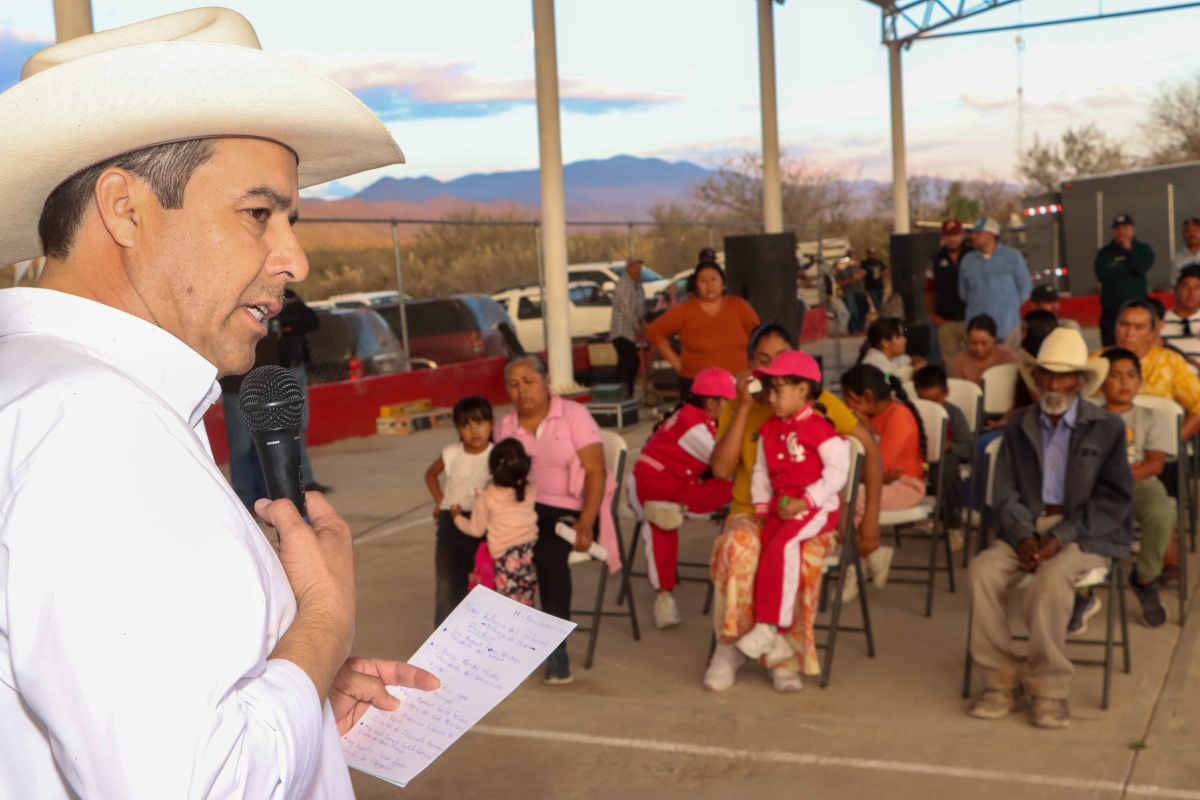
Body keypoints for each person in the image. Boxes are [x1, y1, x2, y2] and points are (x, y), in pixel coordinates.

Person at [0, 10, 440, 797]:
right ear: (125, 209)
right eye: (258, 214)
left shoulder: (34, 385)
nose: (294, 258)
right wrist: (322, 620)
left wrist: (296, 693)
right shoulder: (95, 427)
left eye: (291, 221)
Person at [704, 324, 884, 692]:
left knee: (799, 557)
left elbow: (865, 453)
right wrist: (743, 409)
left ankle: (782, 654)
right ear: (751, 364)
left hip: (808, 512)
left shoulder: (816, 405)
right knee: (740, 547)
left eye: (782, 361)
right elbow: (721, 470)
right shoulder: (743, 405)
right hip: (752, 510)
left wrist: (868, 521)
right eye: (764, 362)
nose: (774, 373)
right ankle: (728, 648)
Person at [967, 328, 1129, 729]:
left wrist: (1062, 536)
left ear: (1079, 381)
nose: (1055, 385)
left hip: (1085, 530)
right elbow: (1004, 492)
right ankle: (1000, 678)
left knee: (1052, 579)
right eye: (1048, 376)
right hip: (1026, 525)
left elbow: (1114, 499)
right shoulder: (1019, 424)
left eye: (1064, 376)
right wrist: (1024, 534)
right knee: (982, 572)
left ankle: (1049, 687)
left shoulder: (1105, 427)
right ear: (1036, 378)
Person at [493, 354, 618, 684]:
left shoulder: (574, 415)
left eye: (529, 382)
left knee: (548, 553)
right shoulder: (505, 426)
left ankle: (555, 646)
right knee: (474, 541)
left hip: (569, 509)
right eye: (514, 385)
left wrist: (587, 523)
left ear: (546, 382)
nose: (522, 391)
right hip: (522, 509)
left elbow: (595, 473)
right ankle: (490, 639)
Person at [734, 351, 850, 669]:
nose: (771, 398)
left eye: (778, 389)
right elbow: (760, 470)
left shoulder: (820, 428)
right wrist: (761, 504)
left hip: (816, 507)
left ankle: (771, 626)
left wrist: (809, 500)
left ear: (803, 390)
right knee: (767, 549)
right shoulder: (770, 429)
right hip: (782, 506)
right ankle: (779, 640)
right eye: (769, 390)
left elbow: (838, 471)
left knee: (784, 547)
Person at [630, 367, 736, 629]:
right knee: (662, 520)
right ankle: (663, 596)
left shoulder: (694, 416)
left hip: (678, 483)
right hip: (654, 487)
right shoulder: (694, 427)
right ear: (712, 403)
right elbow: (727, 465)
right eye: (729, 402)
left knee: (738, 491)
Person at [839, 364, 929, 602]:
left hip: (907, 486)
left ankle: (854, 566)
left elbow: (877, 467)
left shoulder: (898, 416)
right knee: (844, 497)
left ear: (867, 396)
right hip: (881, 484)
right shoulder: (872, 416)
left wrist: (866, 469)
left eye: (849, 399)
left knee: (851, 498)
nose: (847, 406)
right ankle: (872, 556)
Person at [1098, 349, 1173, 627]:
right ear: (1103, 382)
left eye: (1131, 376)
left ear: (1140, 381)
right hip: (1096, 487)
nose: (1124, 383)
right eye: (1115, 376)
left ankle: (1145, 578)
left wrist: (1117, 475)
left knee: (1163, 510)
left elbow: (1154, 465)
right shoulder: (1088, 416)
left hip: (1139, 482)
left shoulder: (1152, 416)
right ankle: (1081, 591)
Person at [425, 396, 495, 625]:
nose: (474, 430)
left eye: (480, 422)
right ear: (457, 428)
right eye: (466, 425)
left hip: (481, 521)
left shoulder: (496, 455)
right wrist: (440, 500)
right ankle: (442, 639)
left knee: (479, 579)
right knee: (446, 581)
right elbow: (431, 474)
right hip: (449, 520)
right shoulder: (452, 452)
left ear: (491, 424)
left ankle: (476, 633)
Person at [645, 262, 760, 397]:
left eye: (713, 279)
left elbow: (759, 337)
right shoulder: (684, 311)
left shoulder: (739, 306)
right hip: (697, 386)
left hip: (737, 385)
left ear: (722, 282)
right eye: (703, 281)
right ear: (697, 286)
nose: (709, 285)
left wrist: (755, 368)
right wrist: (677, 363)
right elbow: (654, 332)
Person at [453, 438, 540, 607]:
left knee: (504, 609)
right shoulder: (530, 489)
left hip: (504, 562)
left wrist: (457, 517)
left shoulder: (487, 496)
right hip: (528, 557)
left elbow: (476, 530)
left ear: (491, 469)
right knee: (525, 607)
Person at [1113, 298, 1200, 441]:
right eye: (1124, 325)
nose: (1129, 333)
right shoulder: (1097, 362)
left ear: (1153, 331)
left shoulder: (1171, 362)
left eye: (1139, 327)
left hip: (1158, 450)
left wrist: (1172, 443)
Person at [219, 330, 281, 509]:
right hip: (238, 390)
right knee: (242, 447)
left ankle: (264, 497)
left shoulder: (268, 321)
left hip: (262, 390)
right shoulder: (234, 326)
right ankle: (246, 500)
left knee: (263, 446)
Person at [914, 364, 972, 551]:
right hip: (919, 460)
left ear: (945, 393)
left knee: (945, 467)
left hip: (946, 459)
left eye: (934, 400)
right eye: (925, 401)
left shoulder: (954, 414)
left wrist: (948, 446)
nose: (930, 406)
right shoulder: (913, 413)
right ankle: (926, 515)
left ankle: (953, 524)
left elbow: (967, 449)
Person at [278, 287, 329, 492]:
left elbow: (311, 321)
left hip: (297, 368)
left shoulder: (290, 297)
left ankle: (305, 479)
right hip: (281, 371)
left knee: (300, 426)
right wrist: (289, 323)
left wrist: (293, 310)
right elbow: (278, 326)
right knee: (288, 429)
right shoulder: (263, 299)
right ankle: (294, 482)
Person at [958, 217, 1032, 351]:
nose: (973, 236)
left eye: (978, 233)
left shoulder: (1013, 257)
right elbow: (963, 293)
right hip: (978, 333)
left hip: (1008, 329)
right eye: (973, 233)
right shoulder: (967, 261)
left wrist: (1007, 308)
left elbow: (1025, 289)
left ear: (991, 235)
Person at [1095, 214, 1155, 347]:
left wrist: (1129, 251)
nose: (1122, 232)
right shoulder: (1105, 253)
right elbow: (1101, 275)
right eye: (1118, 229)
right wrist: (1125, 268)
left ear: (1132, 229)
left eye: (1125, 228)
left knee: (1139, 345)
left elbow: (1141, 268)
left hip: (1137, 310)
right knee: (1110, 348)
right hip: (1112, 312)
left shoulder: (1143, 249)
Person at [926, 219, 971, 365]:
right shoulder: (935, 259)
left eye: (955, 234)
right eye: (948, 235)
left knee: (974, 361)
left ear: (962, 235)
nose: (952, 239)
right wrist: (932, 314)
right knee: (951, 363)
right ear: (943, 237)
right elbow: (928, 289)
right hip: (945, 321)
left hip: (971, 319)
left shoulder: (973, 255)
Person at [609, 256, 646, 397]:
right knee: (630, 362)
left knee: (626, 364)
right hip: (621, 332)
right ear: (628, 268)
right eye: (636, 268)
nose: (639, 271)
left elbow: (640, 307)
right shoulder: (624, 284)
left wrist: (643, 323)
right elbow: (626, 309)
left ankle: (623, 394)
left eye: (640, 268)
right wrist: (637, 327)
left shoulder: (637, 285)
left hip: (631, 333)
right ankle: (625, 394)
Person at [952, 314, 1017, 385]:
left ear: (994, 339)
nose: (979, 348)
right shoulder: (961, 359)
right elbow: (959, 387)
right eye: (974, 343)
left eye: (984, 343)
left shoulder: (1007, 357)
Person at [1160, 264, 1200, 372]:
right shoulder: (1160, 321)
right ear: (1175, 289)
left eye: (1197, 287)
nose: (1191, 293)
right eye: (1186, 286)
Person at [858, 316, 923, 379]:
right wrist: (916, 374)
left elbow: (910, 359)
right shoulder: (875, 366)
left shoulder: (891, 356)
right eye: (898, 337)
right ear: (885, 343)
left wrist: (916, 362)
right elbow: (892, 381)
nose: (904, 340)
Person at [836, 253, 870, 333]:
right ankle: (853, 329)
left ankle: (861, 328)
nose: (852, 259)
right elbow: (839, 283)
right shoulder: (841, 268)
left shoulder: (857, 265)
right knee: (853, 311)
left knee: (864, 309)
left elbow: (864, 273)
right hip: (848, 292)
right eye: (850, 257)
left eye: (854, 256)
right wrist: (852, 279)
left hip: (860, 291)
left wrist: (862, 273)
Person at [1171, 216, 1200, 285]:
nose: (1192, 234)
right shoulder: (1177, 260)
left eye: (1195, 230)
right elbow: (1174, 284)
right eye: (1187, 231)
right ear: (1183, 234)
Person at [862, 247, 889, 312]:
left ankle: (881, 315)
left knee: (881, 303)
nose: (872, 255)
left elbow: (886, 270)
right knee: (876, 304)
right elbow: (861, 273)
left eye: (873, 253)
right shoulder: (864, 263)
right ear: (867, 254)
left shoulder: (879, 262)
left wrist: (882, 273)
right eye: (870, 253)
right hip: (871, 287)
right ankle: (880, 316)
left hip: (880, 285)